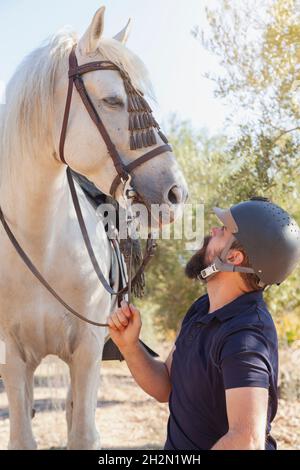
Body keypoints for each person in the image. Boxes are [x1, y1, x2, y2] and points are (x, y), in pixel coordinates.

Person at [107, 197, 300, 450]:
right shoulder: (202, 309)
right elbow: (165, 386)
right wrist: (130, 346)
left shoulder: (246, 335)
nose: (213, 230)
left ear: (233, 257)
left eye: (223, 230)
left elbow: (246, 440)